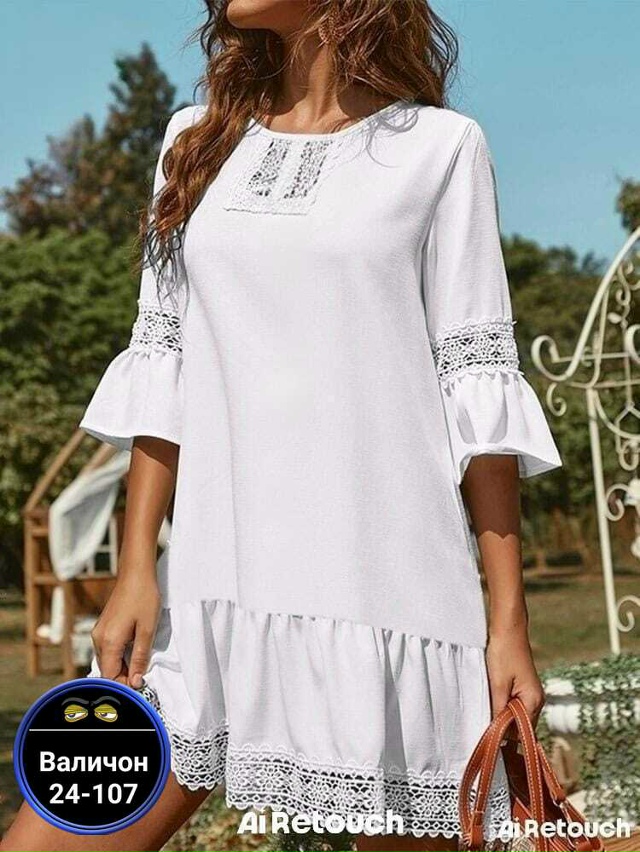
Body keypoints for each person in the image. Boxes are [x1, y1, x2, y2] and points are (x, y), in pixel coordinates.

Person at [2, 1, 563, 850]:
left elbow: (477, 392)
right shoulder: (195, 142)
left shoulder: (441, 149)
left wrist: (508, 625)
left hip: (387, 605)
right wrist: (135, 566)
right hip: (207, 595)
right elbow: (164, 359)